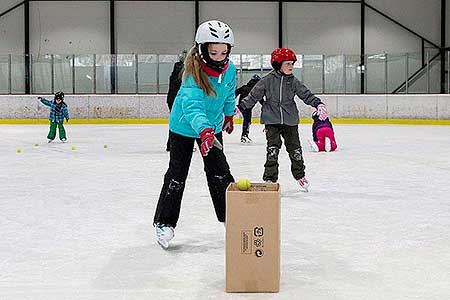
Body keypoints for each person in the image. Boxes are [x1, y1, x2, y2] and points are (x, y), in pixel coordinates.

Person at [153, 20, 236, 249]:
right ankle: (164, 223)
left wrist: (228, 115)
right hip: (184, 127)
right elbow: (192, 107)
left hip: (213, 126)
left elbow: (229, 94)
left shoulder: (230, 69)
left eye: (224, 51)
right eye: (213, 51)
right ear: (202, 49)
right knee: (177, 174)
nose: (219, 56)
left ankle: (232, 218)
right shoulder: (191, 71)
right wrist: (204, 130)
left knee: (220, 173)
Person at [237, 48, 328, 192]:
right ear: (277, 64)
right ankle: (270, 178)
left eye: (292, 64)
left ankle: (300, 176)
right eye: (288, 64)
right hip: (271, 121)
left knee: (295, 150)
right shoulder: (266, 81)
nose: (291, 67)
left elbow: (306, 95)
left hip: (290, 121)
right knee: (272, 150)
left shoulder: (293, 82)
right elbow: (253, 96)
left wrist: (318, 103)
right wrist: (240, 108)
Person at [166, 49, 188, 152]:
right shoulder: (183, 73)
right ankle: (174, 145)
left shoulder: (174, 73)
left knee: (175, 120)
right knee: (180, 122)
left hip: (171, 99)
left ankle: (170, 144)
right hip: (177, 100)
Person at [235, 74, 261, 143]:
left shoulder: (244, 87)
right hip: (247, 108)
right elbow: (261, 100)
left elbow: (235, 93)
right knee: (247, 121)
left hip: (241, 107)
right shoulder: (256, 90)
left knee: (247, 120)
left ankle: (244, 135)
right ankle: (244, 135)